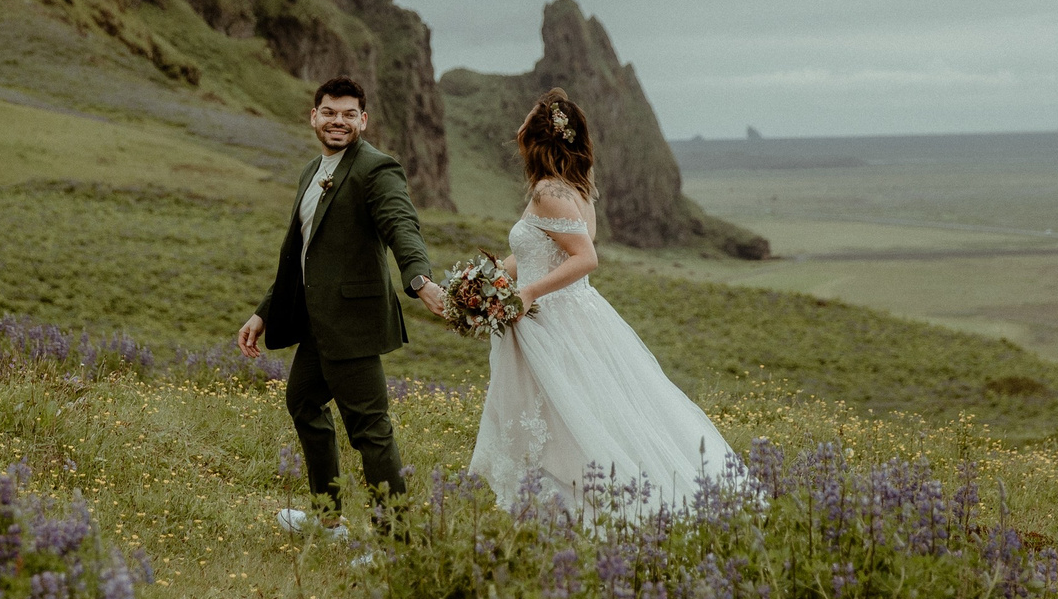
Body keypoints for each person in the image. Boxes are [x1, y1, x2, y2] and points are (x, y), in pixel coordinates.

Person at [468, 86, 737, 514]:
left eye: (524, 131)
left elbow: (585, 257)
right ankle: (552, 501)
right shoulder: (573, 189)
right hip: (567, 313)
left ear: (535, 140)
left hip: (549, 317)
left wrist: (528, 294)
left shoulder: (549, 193)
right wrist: (483, 283)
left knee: (564, 413)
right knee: (578, 408)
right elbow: (534, 252)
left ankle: (574, 503)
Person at [237, 76, 445, 527]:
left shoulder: (376, 168)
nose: (339, 121)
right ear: (313, 117)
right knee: (304, 402)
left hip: (353, 323)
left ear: (363, 120)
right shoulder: (312, 171)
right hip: (318, 323)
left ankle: (397, 540)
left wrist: (420, 279)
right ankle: (328, 519)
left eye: (349, 114)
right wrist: (264, 311)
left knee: (370, 430)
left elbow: (401, 226)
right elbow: (302, 256)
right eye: (329, 112)